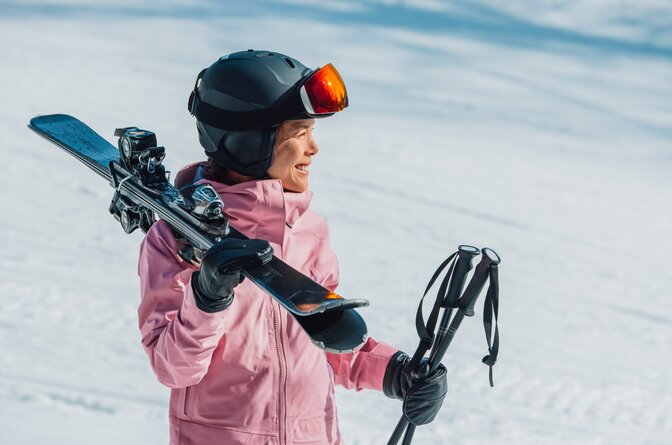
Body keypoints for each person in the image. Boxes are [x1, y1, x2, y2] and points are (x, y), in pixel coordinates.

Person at [137, 49, 447, 445]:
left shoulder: (308, 231)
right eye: (300, 132)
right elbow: (174, 369)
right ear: (249, 142)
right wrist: (206, 298)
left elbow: (325, 340)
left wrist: (394, 372)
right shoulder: (174, 239)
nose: (313, 148)